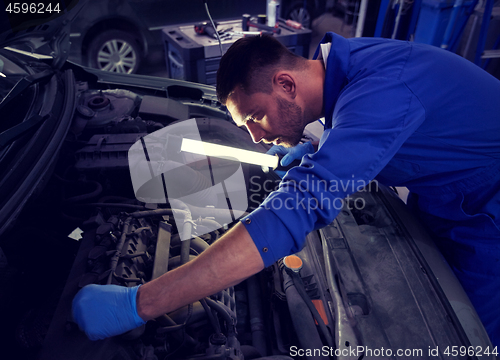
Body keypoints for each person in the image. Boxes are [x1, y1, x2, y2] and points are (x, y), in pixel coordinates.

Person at [72, 33, 500, 346]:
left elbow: (295, 211)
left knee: (468, 342)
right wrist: (322, 145)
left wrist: (142, 303)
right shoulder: (348, 70)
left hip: (488, 214)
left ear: (287, 84)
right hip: (449, 190)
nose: (256, 138)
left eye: (255, 116)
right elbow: (376, 124)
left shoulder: (385, 89)